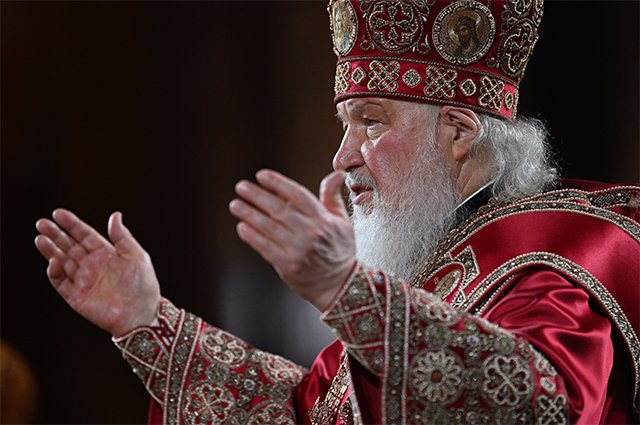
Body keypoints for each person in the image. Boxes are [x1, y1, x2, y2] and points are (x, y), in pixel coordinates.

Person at [34, 0, 639, 424]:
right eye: (345, 125)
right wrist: (149, 323)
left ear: (458, 132)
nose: (342, 156)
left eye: (370, 122)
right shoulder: (433, 263)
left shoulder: (554, 265)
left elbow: (537, 408)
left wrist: (346, 292)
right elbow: (311, 414)